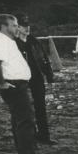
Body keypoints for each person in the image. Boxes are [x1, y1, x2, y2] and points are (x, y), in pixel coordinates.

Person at [0, 14, 48, 154]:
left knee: (20, 122)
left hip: (19, 85)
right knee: (25, 121)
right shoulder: (0, 41)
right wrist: (2, 84)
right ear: (4, 26)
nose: (17, 28)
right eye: (14, 25)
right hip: (13, 86)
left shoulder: (8, 41)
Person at [14, 14, 57, 144]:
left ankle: (44, 136)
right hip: (20, 79)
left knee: (40, 107)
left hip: (36, 77)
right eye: (23, 26)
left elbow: (44, 58)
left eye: (28, 26)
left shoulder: (34, 41)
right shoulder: (13, 43)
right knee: (24, 109)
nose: (27, 28)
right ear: (17, 27)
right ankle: (26, 138)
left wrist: (49, 75)